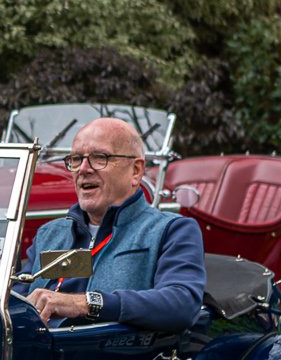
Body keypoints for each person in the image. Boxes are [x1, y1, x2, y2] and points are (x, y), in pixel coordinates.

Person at [22, 116, 205, 333]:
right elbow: (14, 301)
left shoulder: (172, 230)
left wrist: (85, 303)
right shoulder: (48, 234)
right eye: (76, 159)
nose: (83, 169)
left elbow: (181, 304)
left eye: (100, 157)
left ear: (136, 171)